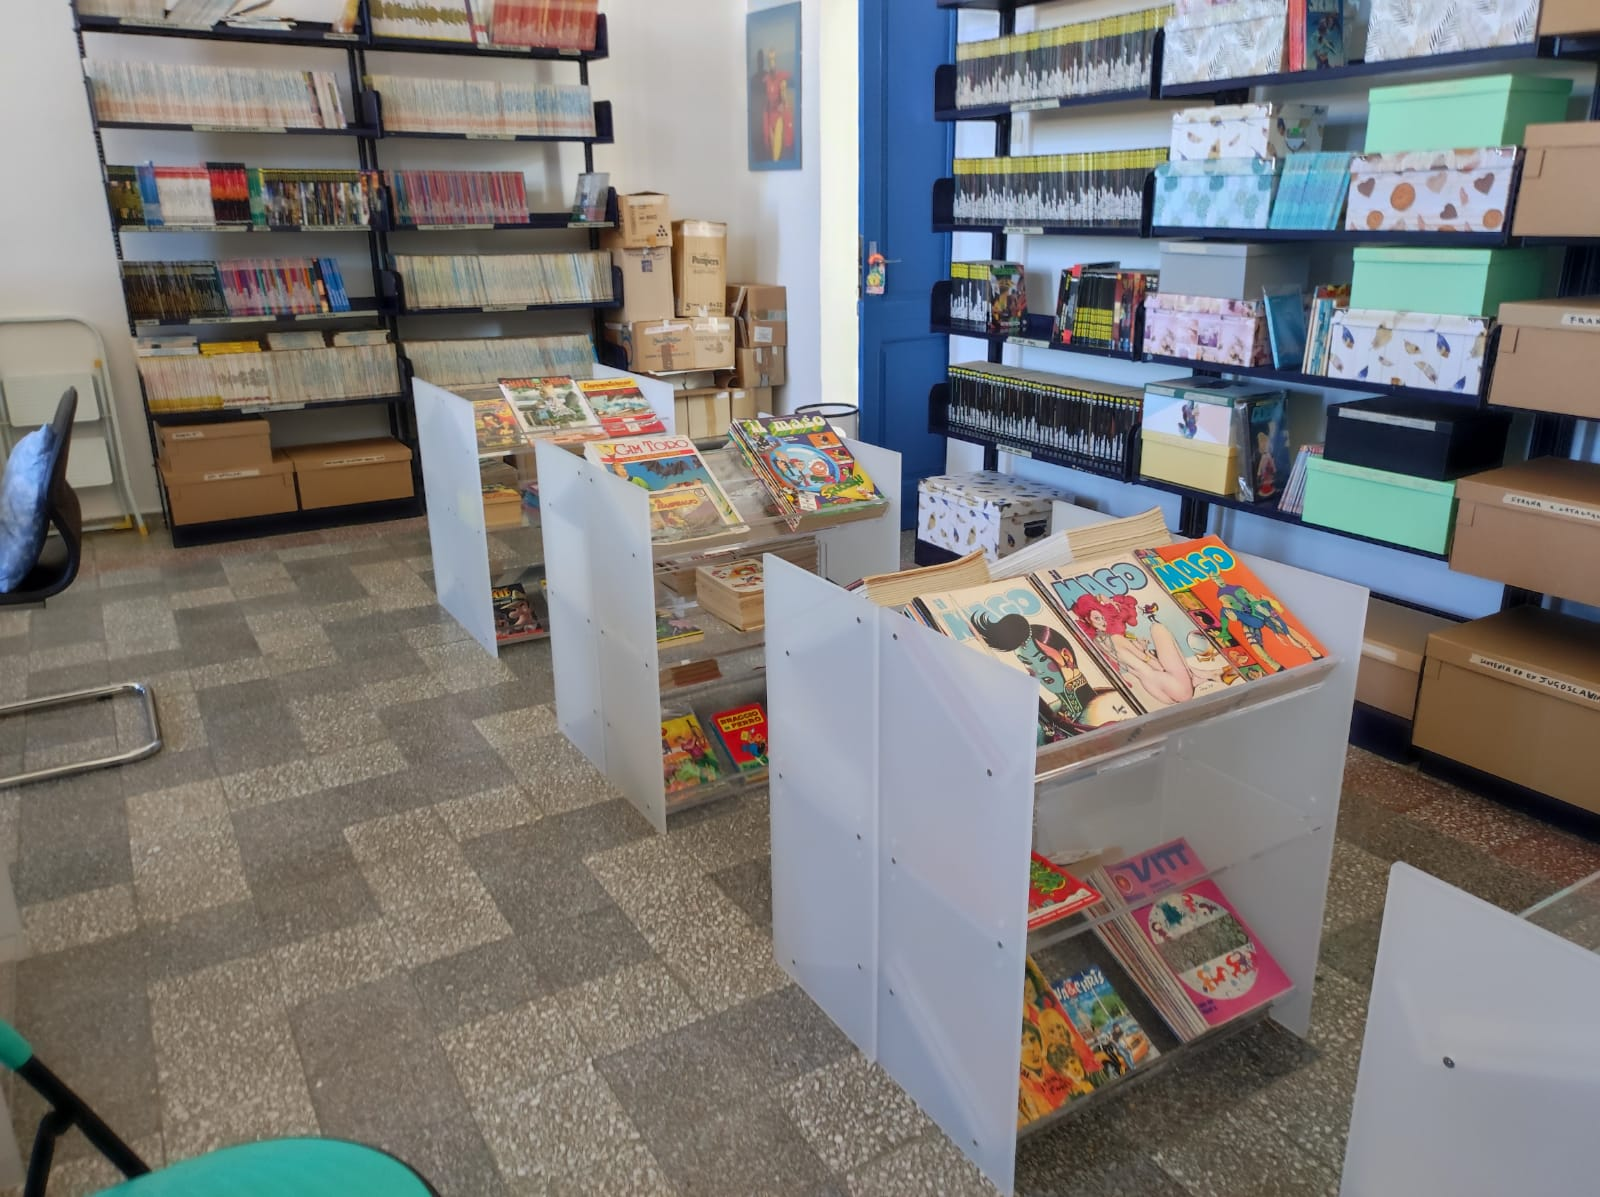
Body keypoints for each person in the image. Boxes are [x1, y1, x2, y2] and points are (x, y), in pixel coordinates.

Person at [1068, 593, 1197, 707]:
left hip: (1153, 689)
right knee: (1158, 628)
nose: (1103, 622)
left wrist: (1141, 647)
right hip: (1169, 684)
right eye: (1097, 618)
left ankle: (1194, 674)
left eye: (1103, 617)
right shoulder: (1116, 637)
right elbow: (1143, 657)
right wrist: (1156, 663)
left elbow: (1126, 661)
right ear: (1087, 619)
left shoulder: (1098, 643)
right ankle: (1194, 674)